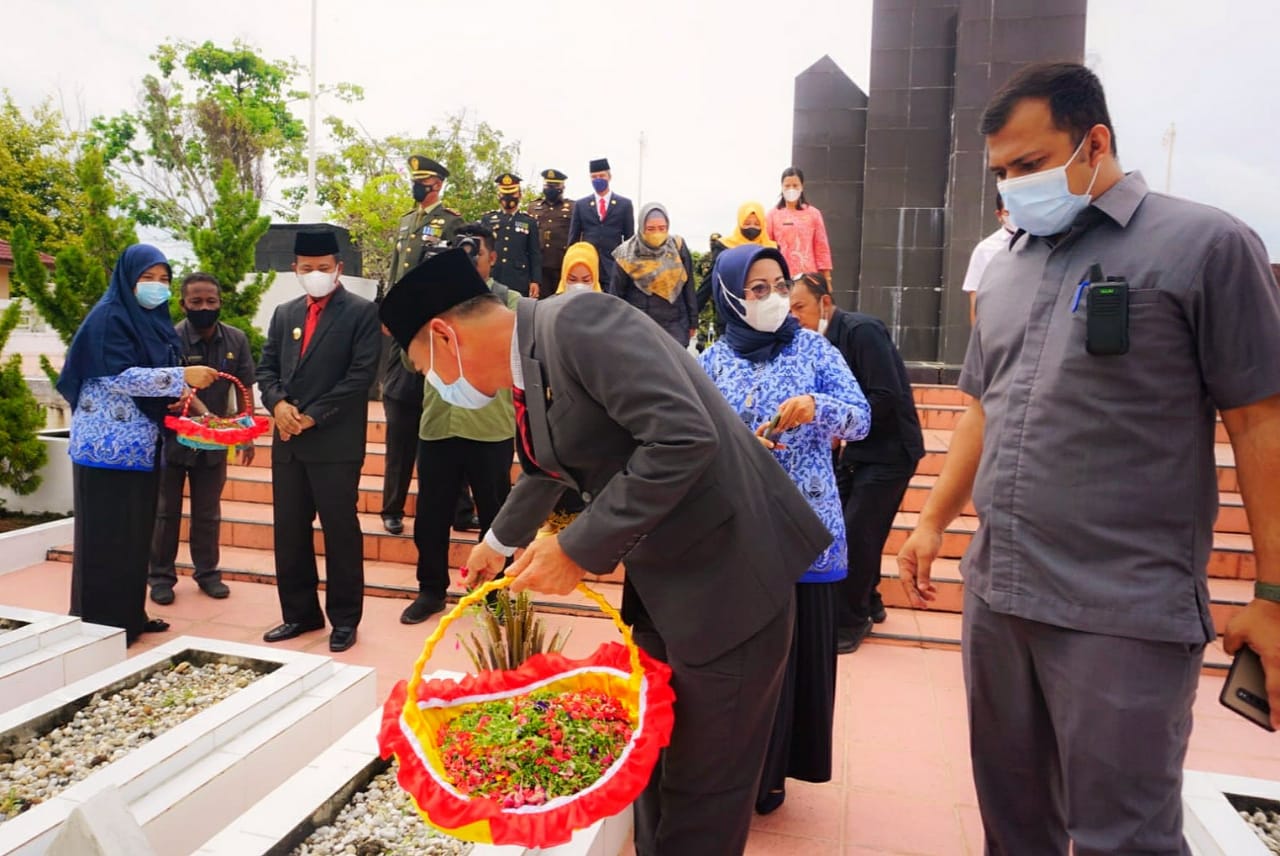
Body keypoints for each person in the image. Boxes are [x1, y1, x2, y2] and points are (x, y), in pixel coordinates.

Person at [897, 62, 1280, 855]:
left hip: (1122, 612)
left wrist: (1274, 594)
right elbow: (981, 406)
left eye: (1030, 166)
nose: (1014, 190)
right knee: (1014, 829)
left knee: (1123, 840)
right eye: (1002, 174)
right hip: (999, 601)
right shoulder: (1005, 267)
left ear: (1094, 140)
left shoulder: (1207, 245)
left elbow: (1260, 423)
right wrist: (932, 520)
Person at [379, 248, 833, 856]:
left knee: (704, 786)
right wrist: (497, 540)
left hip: (732, 577)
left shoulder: (580, 322)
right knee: (649, 758)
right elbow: (554, 467)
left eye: (424, 365)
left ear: (444, 334)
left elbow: (682, 436)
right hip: (670, 581)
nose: (433, 380)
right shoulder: (534, 355)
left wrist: (576, 548)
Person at [700, 246, 870, 816]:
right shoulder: (711, 360)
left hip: (807, 527)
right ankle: (740, 769)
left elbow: (862, 417)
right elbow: (695, 437)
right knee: (745, 661)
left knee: (795, 657)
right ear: (729, 297)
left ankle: (777, 775)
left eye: (778, 286)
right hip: (739, 530)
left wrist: (815, 404)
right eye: (757, 289)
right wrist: (740, 443)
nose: (773, 299)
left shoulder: (814, 347)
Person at [56, 244, 218, 645]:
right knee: (106, 538)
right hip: (106, 450)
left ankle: (129, 613)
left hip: (141, 446)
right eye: (148, 278)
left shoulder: (149, 320)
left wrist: (183, 396)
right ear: (127, 279)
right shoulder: (110, 318)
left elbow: (153, 373)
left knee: (133, 536)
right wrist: (183, 376)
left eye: (164, 279)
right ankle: (100, 624)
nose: (157, 287)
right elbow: (122, 376)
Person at [257, 230, 381, 653]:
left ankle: (344, 619)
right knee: (289, 533)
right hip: (288, 440)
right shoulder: (284, 313)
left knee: (339, 533)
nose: (316, 275)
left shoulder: (361, 313)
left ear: (338, 268)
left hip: (334, 443)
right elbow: (266, 368)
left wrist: (311, 416)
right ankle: (299, 614)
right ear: (295, 269)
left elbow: (360, 377)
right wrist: (276, 405)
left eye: (324, 268)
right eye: (307, 268)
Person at [789, 273, 924, 653]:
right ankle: (872, 601)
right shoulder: (813, 346)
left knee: (858, 533)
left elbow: (886, 394)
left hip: (891, 451)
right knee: (852, 533)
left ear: (825, 303)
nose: (794, 316)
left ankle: (850, 622)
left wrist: (840, 425)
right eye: (789, 310)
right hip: (857, 454)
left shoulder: (861, 331)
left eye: (800, 307)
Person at [398, 224, 519, 625]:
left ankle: (495, 594)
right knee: (431, 516)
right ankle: (430, 591)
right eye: (461, 253)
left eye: (475, 253)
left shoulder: (509, 303)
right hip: (438, 426)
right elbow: (407, 362)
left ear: (492, 259)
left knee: (495, 515)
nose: (468, 260)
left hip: (491, 428)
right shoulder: (436, 306)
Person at [148, 273, 256, 606]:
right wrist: (199, 410)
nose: (204, 307)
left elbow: (245, 387)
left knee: (208, 512)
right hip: (172, 440)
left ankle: (207, 574)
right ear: (183, 304)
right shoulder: (170, 339)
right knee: (166, 513)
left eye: (211, 301)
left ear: (220, 302)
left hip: (214, 442)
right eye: (196, 302)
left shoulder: (236, 340)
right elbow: (170, 385)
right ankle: (161, 577)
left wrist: (246, 433)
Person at [381, 155, 463, 536]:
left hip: (433, 336)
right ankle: (392, 507)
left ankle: (455, 508)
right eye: (415, 180)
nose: (418, 186)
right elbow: (395, 273)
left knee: (446, 427)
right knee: (399, 428)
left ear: (438, 186)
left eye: (424, 181)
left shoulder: (451, 223)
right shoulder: (405, 224)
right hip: (401, 338)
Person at [609, 203, 697, 345]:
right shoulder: (625, 254)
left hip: (675, 325)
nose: (657, 233)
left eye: (662, 228)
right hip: (639, 327)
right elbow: (617, 295)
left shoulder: (677, 246)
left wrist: (693, 322)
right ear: (642, 228)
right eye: (651, 229)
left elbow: (689, 287)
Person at [696, 201, 778, 317]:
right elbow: (711, 279)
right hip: (731, 310)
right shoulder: (725, 246)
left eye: (756, 223)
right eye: (747, 223)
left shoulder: (772, 248)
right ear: (739, 223)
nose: (752, 227)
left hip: (763, 311)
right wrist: (693, 312)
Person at [567, 157, 634, 292]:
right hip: (587, 268)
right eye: (594, 176)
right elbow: (573, 239)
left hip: (613, 267)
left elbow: (629, 240)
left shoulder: (624, 204)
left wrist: (628, 270)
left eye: (601, 175)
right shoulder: (581, 205)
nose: (598, 179)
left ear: (609, 176)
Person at [480, 172, 542, 297]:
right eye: (504, 194)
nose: (508, 198)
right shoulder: (488, 219)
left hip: (518, 279)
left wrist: (535, 281)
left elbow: (534, 253)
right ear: (499, 195)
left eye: (512, 194)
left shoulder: (528, 221)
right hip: (493, 276)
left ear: (520, 194)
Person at [766, 167, 832, 281]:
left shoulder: (814, 214)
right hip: (782, 277)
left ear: (802, 186)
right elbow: (767, 246)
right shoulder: (772, 215)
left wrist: (827, 278)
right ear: (782, 187)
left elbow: (821, 248)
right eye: (787, 186)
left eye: (795, 185)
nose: (791, 189)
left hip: (809, 277)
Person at [960, 192, 1016, 325]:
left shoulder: (1044, 242)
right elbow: (976, 299)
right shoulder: (986, 249)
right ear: (999, 215)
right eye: (1009, 212)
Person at [527, 168, 575, 296]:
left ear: (562, 187)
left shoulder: (572, 207)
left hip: (562, 265)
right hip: (540, 266)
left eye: (554, 186)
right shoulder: (533, 207)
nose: (550, 188)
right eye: (548, 185)